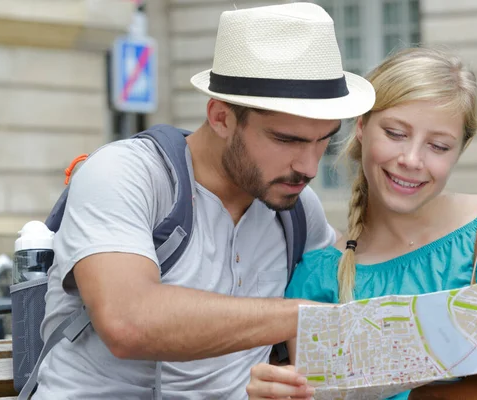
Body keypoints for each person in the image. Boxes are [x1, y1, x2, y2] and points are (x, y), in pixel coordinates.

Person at [32, 3, 376, 400]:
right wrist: (299, 316)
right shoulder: (124, 173)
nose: (309, 166)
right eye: (287, 139)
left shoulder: (298, 207)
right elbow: (128, 322)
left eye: (324, 140)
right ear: (221, 117)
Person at [246, 46, 477, 400]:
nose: (411, 160)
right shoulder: (320, 281)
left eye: (439, 146)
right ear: (362, 126)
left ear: (461, 149)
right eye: (396, 134)